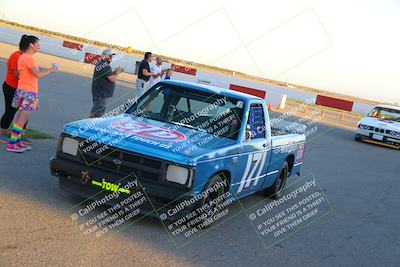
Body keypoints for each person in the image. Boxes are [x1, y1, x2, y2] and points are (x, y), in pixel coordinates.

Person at [6, 35, 58, 153]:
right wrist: (51, 70)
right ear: (31, 45)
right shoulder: (28, 58)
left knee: (22, 118)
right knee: (22, 119)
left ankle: (17, 141)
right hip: (27, 92)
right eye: (38, 44)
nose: (39, 46)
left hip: (24, 90)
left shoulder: (23, 56)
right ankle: (12, 144)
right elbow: (38, 75)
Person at [0, 36, 30, 144]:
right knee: (10, 111)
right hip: (11, 88)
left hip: (23, 89)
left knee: (25, 112)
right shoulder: (16, 56)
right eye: (36, 45)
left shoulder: (26, 57)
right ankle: (2, 134)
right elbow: (17, 74)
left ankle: (21, 135)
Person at [89, 48, 124, 118]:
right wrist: (117, 72)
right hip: (101, 93)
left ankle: (91, 124)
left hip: (99, 92)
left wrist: (116, 72)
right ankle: (90, 125)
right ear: (104, 56)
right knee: (98, 111)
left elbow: (108, 75)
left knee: (97, 110)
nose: (111, 57)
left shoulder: (102, 65)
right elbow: (112, 79)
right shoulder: (105, 66)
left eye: (111, 56)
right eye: (110, 56)